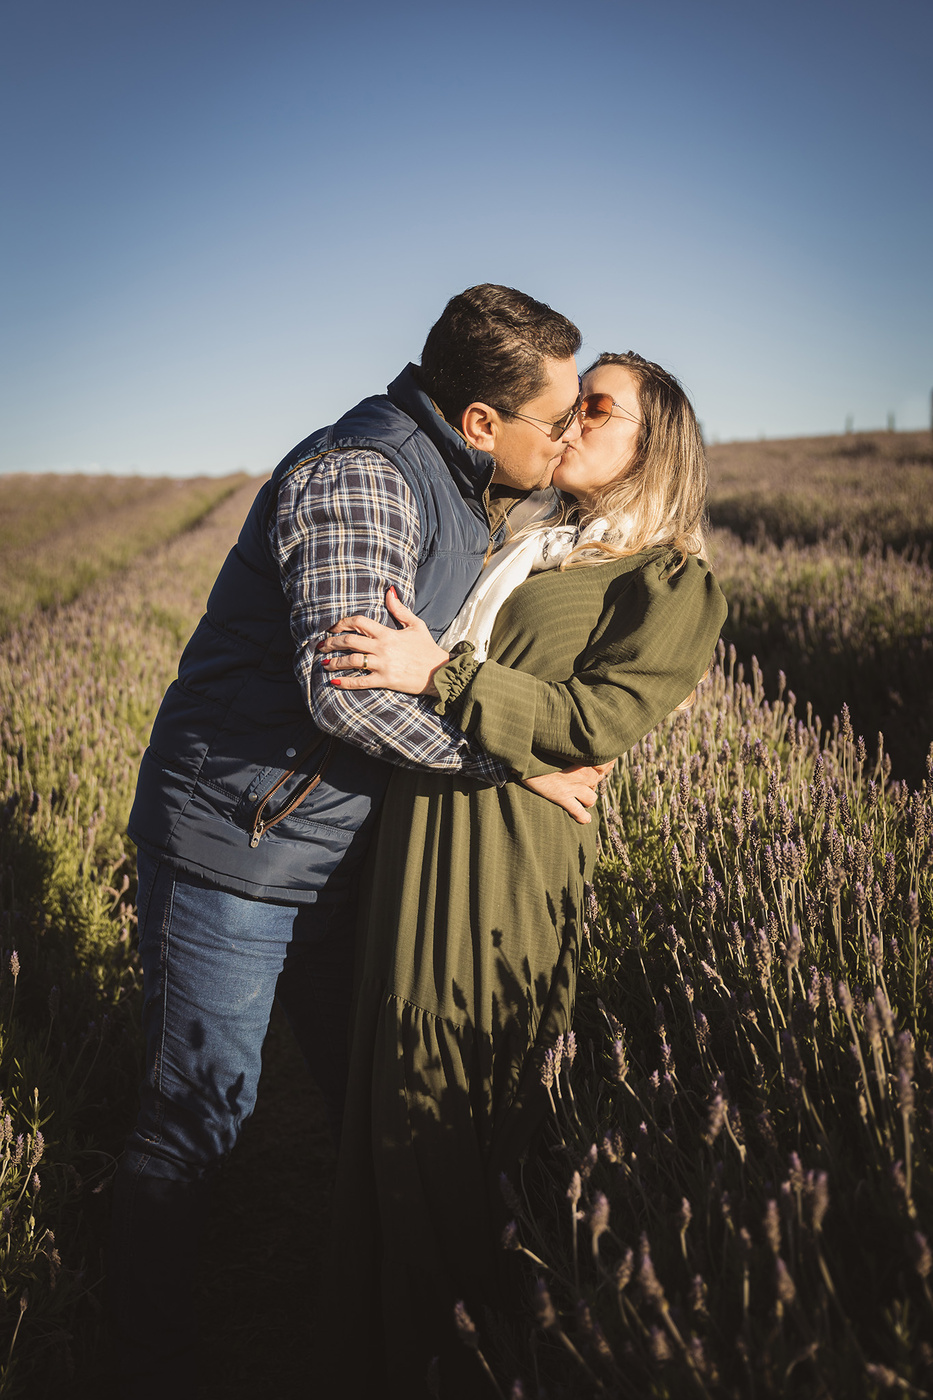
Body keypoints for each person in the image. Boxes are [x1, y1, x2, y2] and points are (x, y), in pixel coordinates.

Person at [109, 285, 605, 1399]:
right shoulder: (363, 476)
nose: (567, 437)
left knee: (374, 1093)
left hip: (336, 848)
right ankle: (147, 1360)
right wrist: (515, 763)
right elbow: (347, 694)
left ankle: (368, 1316)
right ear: (479, 420)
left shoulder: (474, 481)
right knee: (199, 1117)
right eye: (555, 418)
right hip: (239, 841)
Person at [318, 351, 729, 1397]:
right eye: (570, 403)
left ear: (655, 444)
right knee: (391, 1073)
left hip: (508, 848)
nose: (569, 420)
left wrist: (445, 674)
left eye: (598, 408)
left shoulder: (668, 580)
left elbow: (597, 723)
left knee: (462, 1090)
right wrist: (464, 703)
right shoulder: (529, 536)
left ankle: (465, 1356)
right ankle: (379, 1349)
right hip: (425, 818)